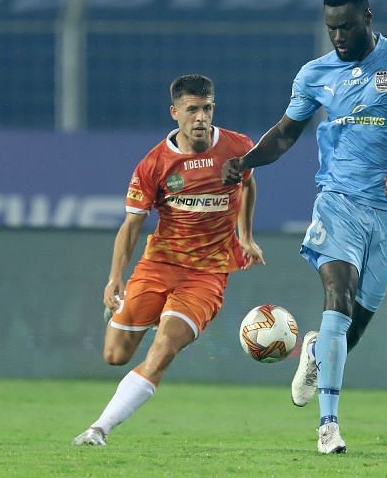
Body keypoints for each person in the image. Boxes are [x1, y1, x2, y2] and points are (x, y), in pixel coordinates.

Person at [222, 0, 387, 454]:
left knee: (354, 325)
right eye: (331, 28)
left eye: (347, 26)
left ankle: (314, 350)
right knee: (338, 298)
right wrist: (246, 162)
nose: (339, 37)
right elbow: (286, 134)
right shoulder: (315, 73)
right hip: (338, 200)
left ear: (367, 18)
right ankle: (328, 426)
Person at [73, 74, 265, 446]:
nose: (201, 118)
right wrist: (115, 278)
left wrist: (246, 236)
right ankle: (145, 311)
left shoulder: (238, 148)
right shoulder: (154, 164)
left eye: (207, 108)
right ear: (174, 112)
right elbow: (131, 226)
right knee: (115, 355)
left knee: (163, 351)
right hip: (158, 266)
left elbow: (248, 183)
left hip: (206, 275)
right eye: (192, 110)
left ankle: (99, 428)